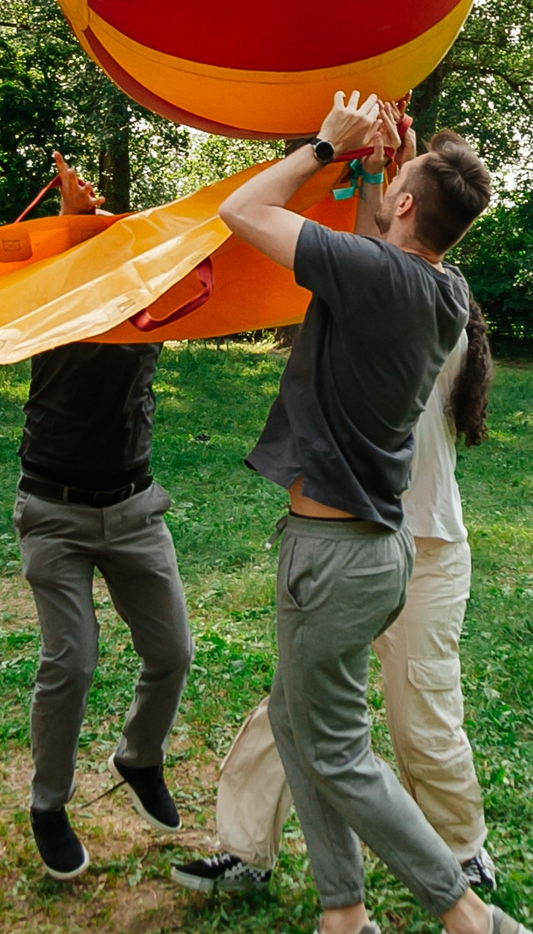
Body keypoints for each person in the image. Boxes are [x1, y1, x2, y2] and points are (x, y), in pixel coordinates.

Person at [217, 92, 533, 934]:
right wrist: (374, 170)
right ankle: (346, 926)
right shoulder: (440, 289)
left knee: (338, 751)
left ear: (406, 210)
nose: (384, 189)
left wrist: (325, 144)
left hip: (338, 552)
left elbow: (245, 214)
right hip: (360, 545)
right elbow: (370, 246)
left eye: (393, 185)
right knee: (303, 723)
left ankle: (473, 926)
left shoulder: (386, 279)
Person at [173, 292, 499, 901]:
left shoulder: (426, 314)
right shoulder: (355, 309)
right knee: (293, 707)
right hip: (347, 546)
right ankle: (245, 852)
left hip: (426, 553)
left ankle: (462, 850)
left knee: (423, 714)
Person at [11, 152, 193, 880]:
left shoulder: (152, 316)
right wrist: (71, 217)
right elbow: (52, 270)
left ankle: (139, 756)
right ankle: (48, 805)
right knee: (72, 660)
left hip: (135, 510)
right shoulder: (54, 316)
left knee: (172, 652)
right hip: (52, 511)